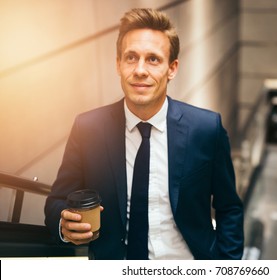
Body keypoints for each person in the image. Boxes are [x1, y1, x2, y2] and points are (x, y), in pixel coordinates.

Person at [44, 8, 244, 260]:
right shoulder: (88, 128)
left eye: (153, 59)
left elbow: (229, 208)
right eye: (131, 58)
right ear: (118, 64)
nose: (140, 70)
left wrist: (228, 267)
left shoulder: (206, 128)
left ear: (172, 68)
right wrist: (64, 225)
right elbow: (56, 202)